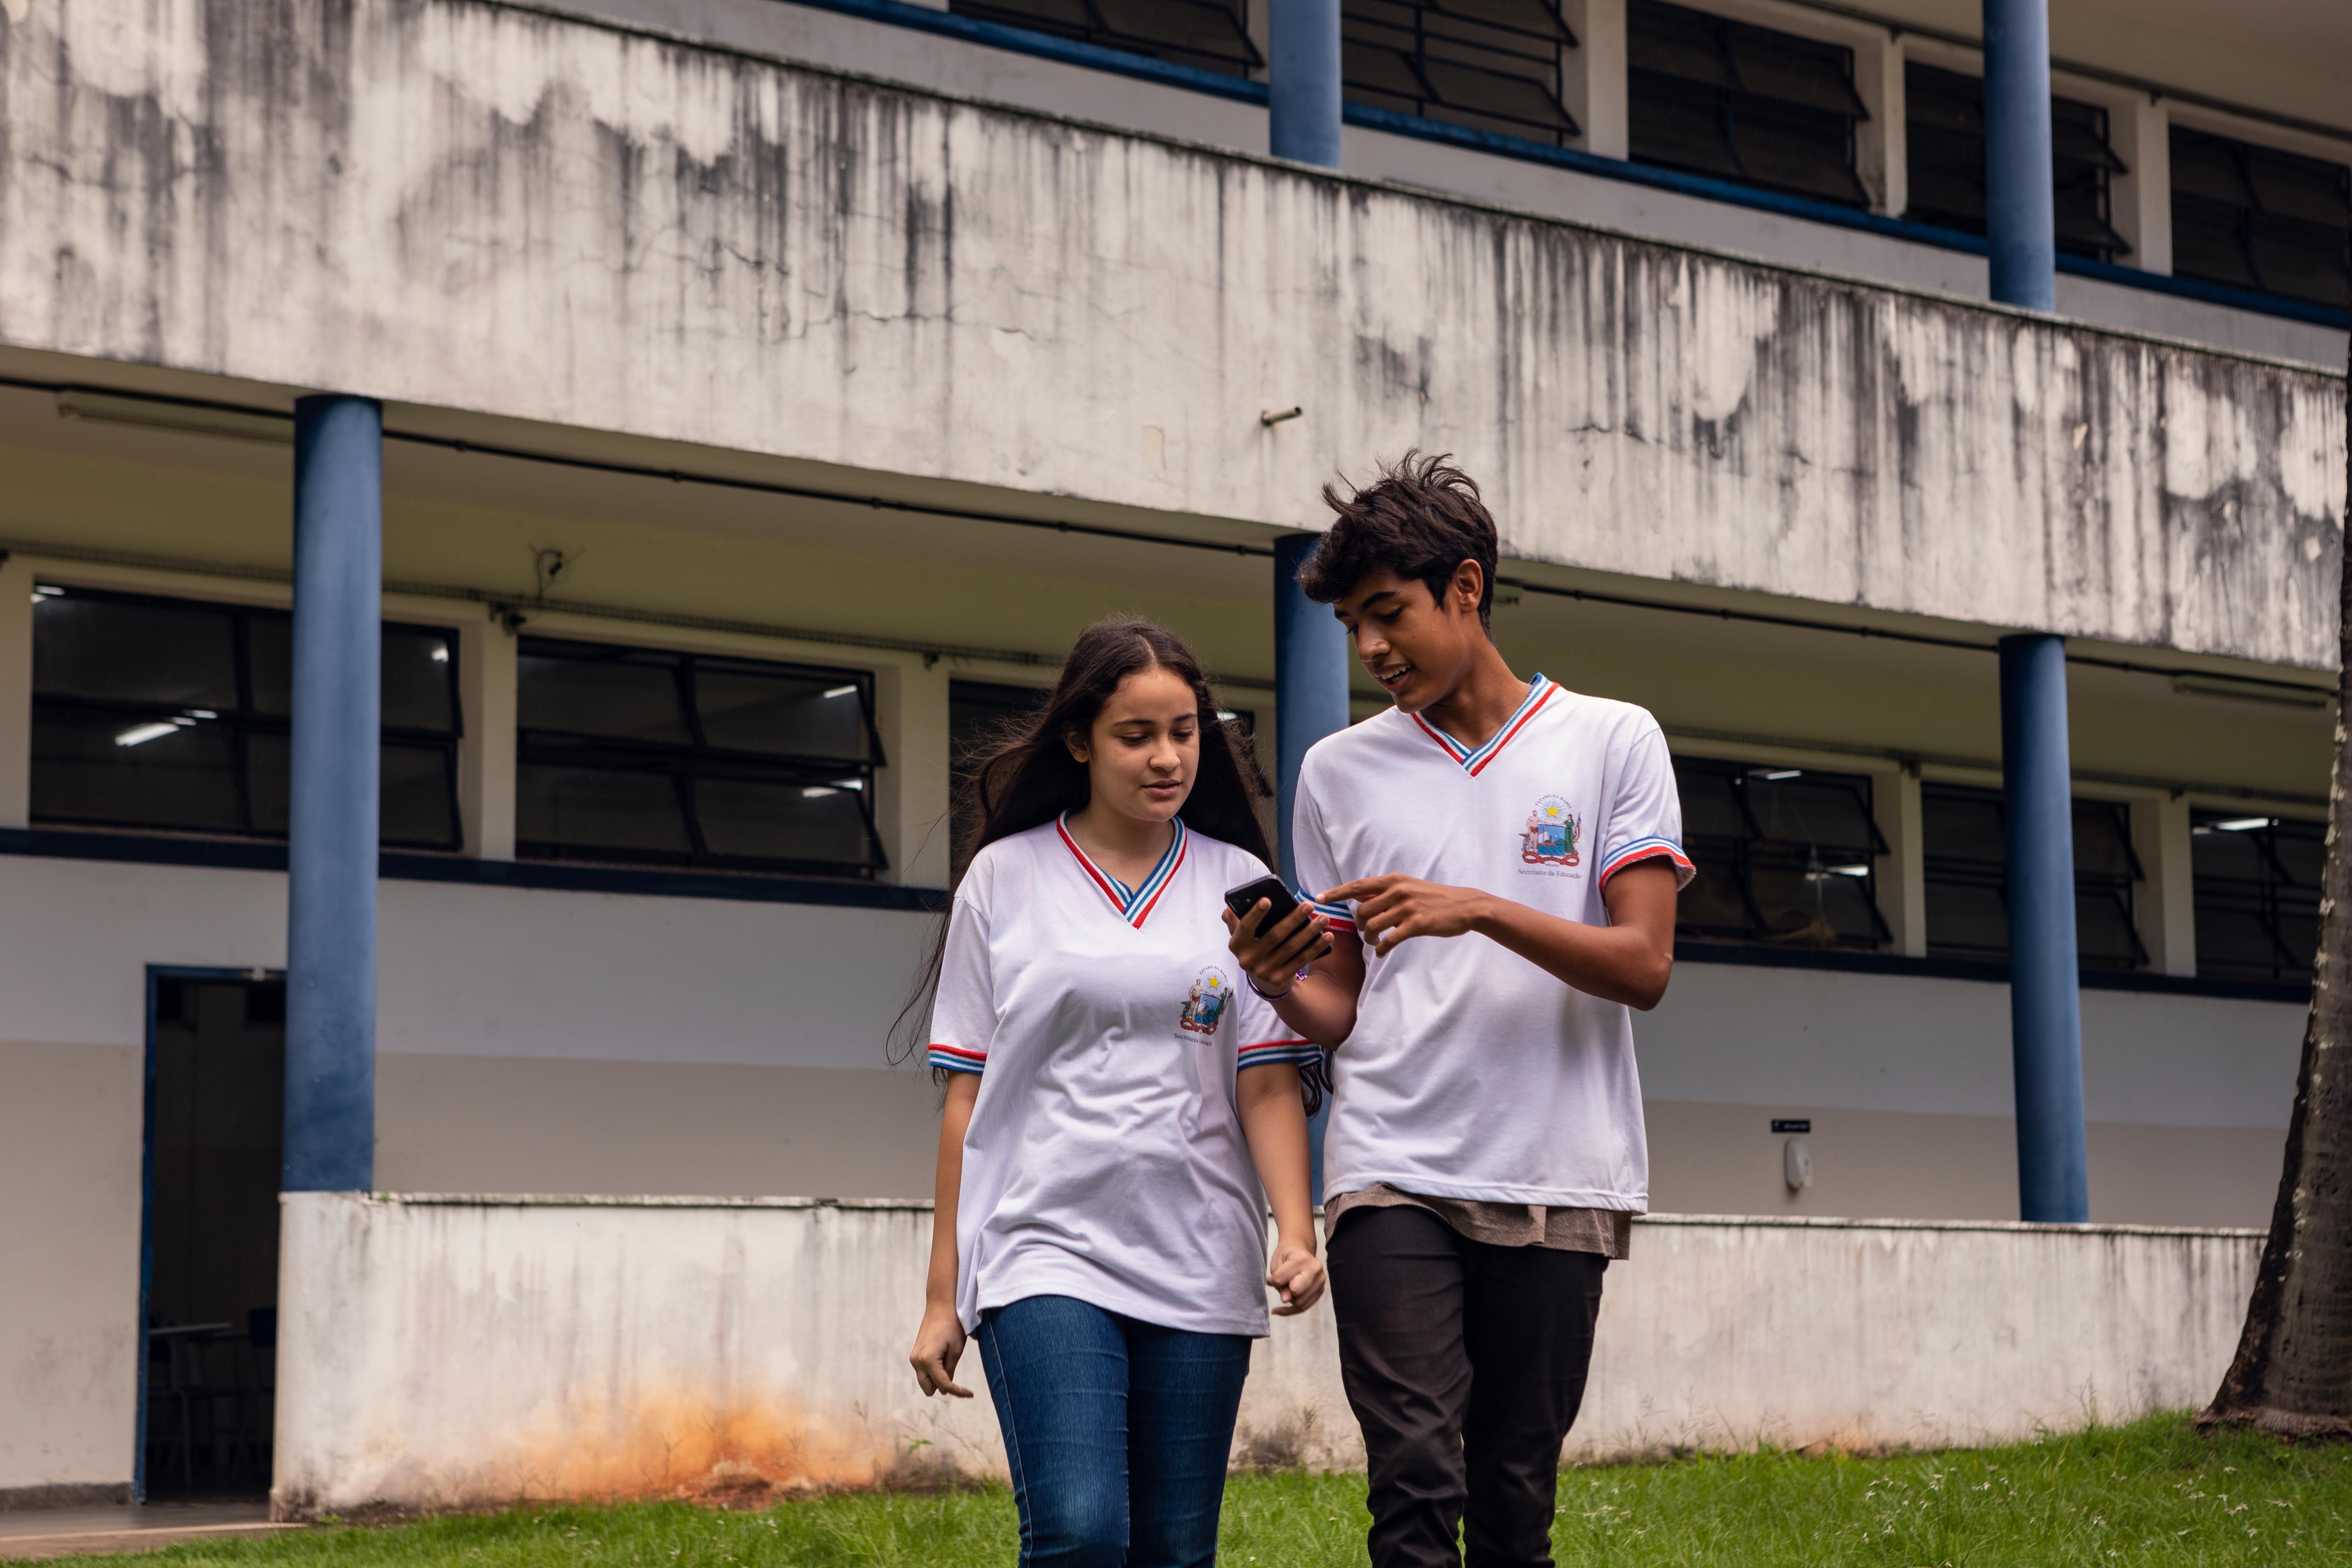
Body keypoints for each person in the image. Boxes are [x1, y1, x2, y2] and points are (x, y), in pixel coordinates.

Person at [1226, 454, 1688, 1568]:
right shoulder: (1337, 772)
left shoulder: (1612, 740)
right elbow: (1341, 1005)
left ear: (1466, 589)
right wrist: (1275, 969)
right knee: (1416, 1480)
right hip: (1392, 1167)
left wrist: (1478, 909)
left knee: (1515, 1494)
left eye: (1389, 614)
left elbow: (1643, 964)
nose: (1372, 649)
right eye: (1353, 626)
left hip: (1558, 1170)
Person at [905, 616, 1329, 1568]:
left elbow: (1267, 1080)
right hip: (1043, 1246)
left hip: (1200, 1256)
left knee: (1176, 1553)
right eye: (1137, 735)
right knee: (1083, 1532)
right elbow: (966, 1098)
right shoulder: (1004, 880)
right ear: (1080, 741)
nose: (1168, 756)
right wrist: (945, 1297)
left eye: (1186, 732)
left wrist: (1295, 1233)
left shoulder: (1243, 885)